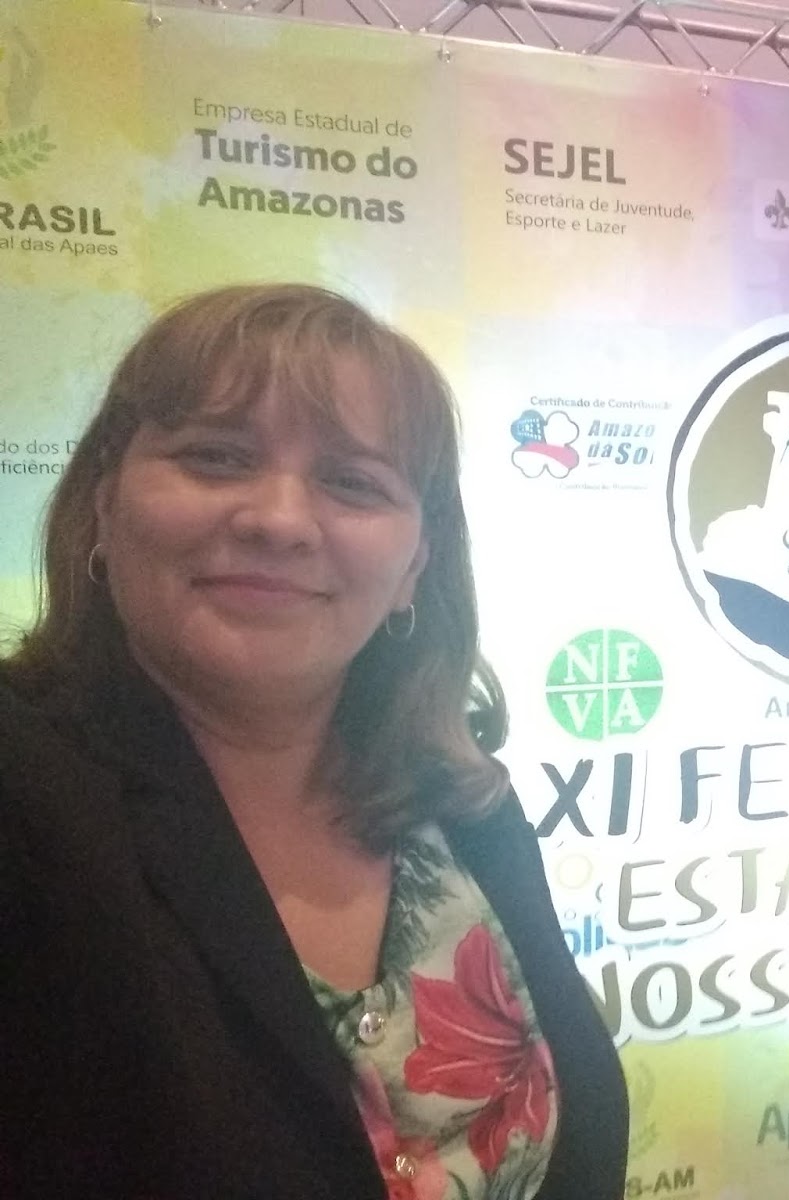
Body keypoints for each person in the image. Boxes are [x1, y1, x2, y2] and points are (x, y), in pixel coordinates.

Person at [0, 284, 628, 1199]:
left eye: (352, 482)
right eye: (216, 457)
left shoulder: (465, 802)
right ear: (104, 501)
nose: (280, 521)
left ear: (414, 565)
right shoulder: (23, 801)